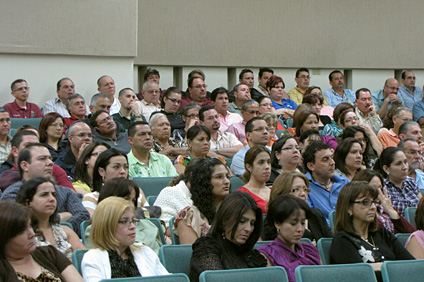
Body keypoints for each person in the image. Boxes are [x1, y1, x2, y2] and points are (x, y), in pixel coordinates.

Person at [1, 143, 90, 234]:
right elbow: (19, 223)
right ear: (25, 166)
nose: (50, 163)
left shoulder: (65, 191)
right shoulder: (12, 193)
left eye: (50, 158)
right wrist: (63, 216)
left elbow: (83, 217)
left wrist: (56, 231)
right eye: (42, 159)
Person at [330, 182, 414, 275]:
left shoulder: (382, 234)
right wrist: (390, 267)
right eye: (366, 202)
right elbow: (359, 274)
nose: (373, 207)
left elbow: (411, 264)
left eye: (374, 202)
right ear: (348, 208)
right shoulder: (343, 240)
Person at [81, 197, 168, 281]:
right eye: (124, 221)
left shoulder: (145, 251)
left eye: (133, 220)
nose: (133, 226)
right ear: (106, 226)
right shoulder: (92, 258)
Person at [189, 191, 266, 282]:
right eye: (242, 221)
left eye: (252, 223)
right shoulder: (206, 248)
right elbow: (215, 279)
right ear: (224, 220)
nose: (248, 229)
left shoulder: (251, 256)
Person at [0, 201, 84, 282]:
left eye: (30, 226)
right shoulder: (3, 269)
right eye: (22, 231)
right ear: (5, 237)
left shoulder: (50, 254)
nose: (32, 234)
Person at [16, 177, 86, 259]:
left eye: (53, 195)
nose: (52, 199)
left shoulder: (66, 231)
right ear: (28, 202)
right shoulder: (21, 234)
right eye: (44, 195)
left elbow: (85, 260)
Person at [258, 195, 321, 282]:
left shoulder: (311, 250)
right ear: (277, 223)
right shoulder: (266, 254)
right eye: (293, 223)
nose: (300, 229)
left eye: (303, 223)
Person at [174, 158, 230, 244]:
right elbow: (191, 254)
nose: (226, 181)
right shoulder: (189, 216)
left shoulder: (235, 210)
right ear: (204, 182)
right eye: (219, 177)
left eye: (227, 176)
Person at [265, 172, 332, 243]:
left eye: (305, 189)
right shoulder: (272, 221)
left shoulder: (315, 214)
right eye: (296, 189)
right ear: (282, 193)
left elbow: (330, 243)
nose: (303, 194)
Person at [353, 169, 416, 235]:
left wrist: (391, 210)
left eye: (380, 188)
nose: (378, 192)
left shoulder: (385, 207)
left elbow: (412, 234)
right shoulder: (363, 211)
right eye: (373, 188)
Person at [83, 148, 142, 217]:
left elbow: (152, 214)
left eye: (125, 167)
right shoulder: (92, 198)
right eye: (116, 167)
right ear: (101, 171)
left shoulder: (136, 194)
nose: (123, 171)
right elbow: (94, 223)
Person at [302, 141, 350, 222]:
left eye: (332, 158)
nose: (332, 163)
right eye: (325, 159)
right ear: (311, 166)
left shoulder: (345, 183)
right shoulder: (304, 187)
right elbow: (312, 220)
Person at [374, 147, 422, 217]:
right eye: (398, 164)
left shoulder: (411, 182)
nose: (405, 167)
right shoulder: (382, 187)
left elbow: (422, 206)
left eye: (405, 162)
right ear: (386, 169)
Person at [237, 146, 271, 214]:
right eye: (261, 162)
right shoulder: (241, 194)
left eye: (269, 162)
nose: (267, 166)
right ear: (249, 167)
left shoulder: (275, 190)